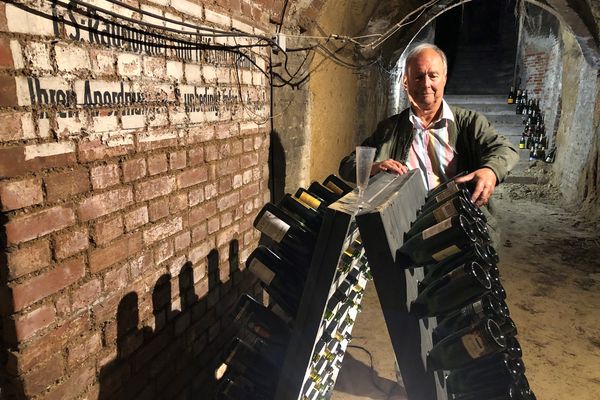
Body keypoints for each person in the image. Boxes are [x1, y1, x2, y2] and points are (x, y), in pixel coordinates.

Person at [339, 43, 519, 209]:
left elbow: (505, 149)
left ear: (444, 79)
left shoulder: (470, 122)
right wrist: (374, 166)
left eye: (433, 75)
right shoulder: (389, 128)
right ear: (405, 83)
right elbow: (348, 165)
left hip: (457, 217)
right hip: (407, 221)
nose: (426, 84)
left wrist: (491, 171)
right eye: (418, 77)